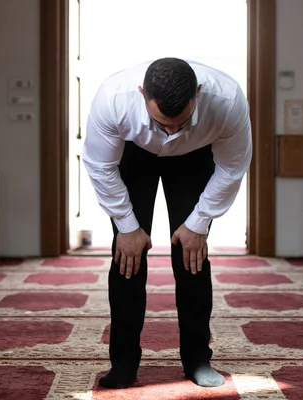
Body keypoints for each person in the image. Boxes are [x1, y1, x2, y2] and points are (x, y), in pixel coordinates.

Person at [82, 57, 252, 389]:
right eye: (162, 121)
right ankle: (124, 363)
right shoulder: (113, 99)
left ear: (199, 94)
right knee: (127, 260)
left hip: (195, 155)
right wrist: (127, 227)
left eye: (180, 121)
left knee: (192, 257)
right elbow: (100, 166)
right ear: (141, 94)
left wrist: (198, 224)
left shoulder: (227, 100)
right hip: (135, 153)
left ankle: (198, 359)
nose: (171, 132)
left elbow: (232, 167)